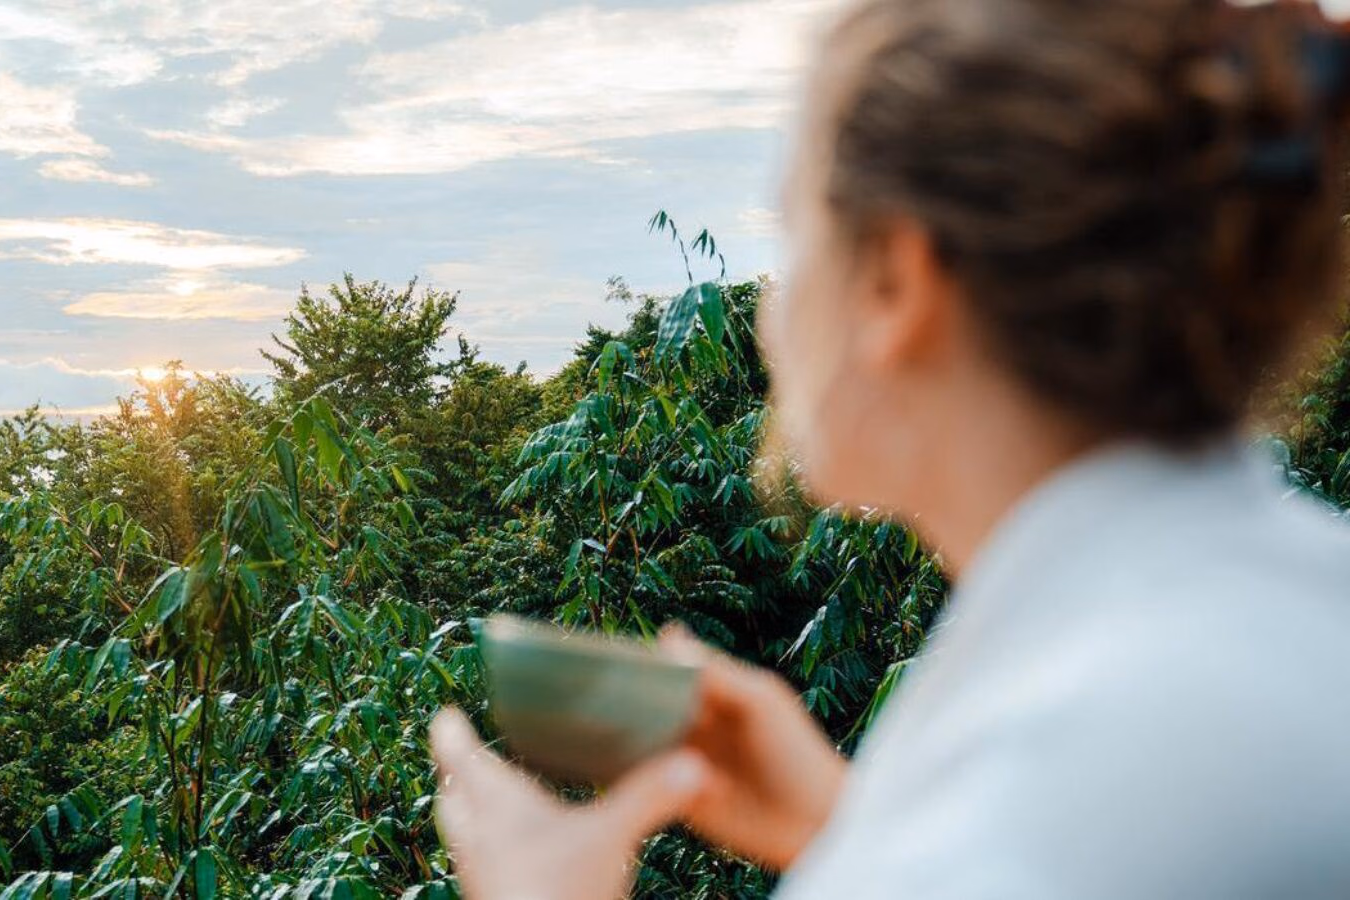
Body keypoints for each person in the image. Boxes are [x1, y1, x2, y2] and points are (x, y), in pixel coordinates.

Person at [428, 0, 1350, 896]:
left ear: (896, 282)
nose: (764, 314)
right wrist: (847, 832)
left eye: (795, 238)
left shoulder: (1066, 771)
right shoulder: (1263, 614)